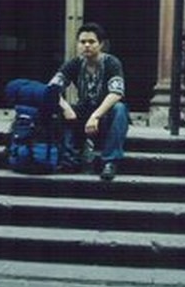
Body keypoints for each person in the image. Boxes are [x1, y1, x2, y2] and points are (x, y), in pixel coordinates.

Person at [49, 22, 129, 181]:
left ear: (101, 44)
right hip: (83, 112)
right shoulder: (74, 63)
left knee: (119, 109)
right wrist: (65, 107)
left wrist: (96, 116)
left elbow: (116, 93)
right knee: (58, 108)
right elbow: (51, 89)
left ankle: (110, 162)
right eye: (82, 42)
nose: (86, 45)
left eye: (91, 42)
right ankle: (69, 159)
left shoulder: (112, 62)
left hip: (105, 116)